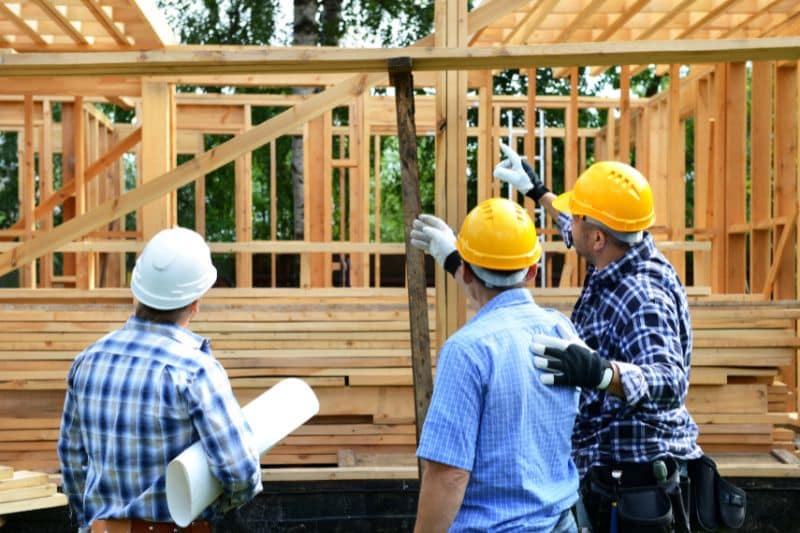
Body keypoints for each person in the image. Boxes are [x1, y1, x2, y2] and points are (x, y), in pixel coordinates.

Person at [494, 143, 703, 532]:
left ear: (598, 240)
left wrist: (603, 374)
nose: (569, 222)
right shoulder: (616, 250)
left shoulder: (643, 295)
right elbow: (576, 224)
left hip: (637, 482)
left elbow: (671, 380)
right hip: (609, 471)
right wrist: (538, 191)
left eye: (579, 218)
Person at [57, 227, 262, 533]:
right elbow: (241, 473)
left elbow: (72, 461)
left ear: (136, 289)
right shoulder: (195, 370)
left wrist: (93, 520)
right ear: (196, 302)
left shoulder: (87, 360)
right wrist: (206, 508)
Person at [410, 198, 581, 533]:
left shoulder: (467, 351)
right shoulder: (561, 330)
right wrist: (454, 258)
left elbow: (449, 475)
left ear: (468, 270)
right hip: (560, 523)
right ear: (533, 270)